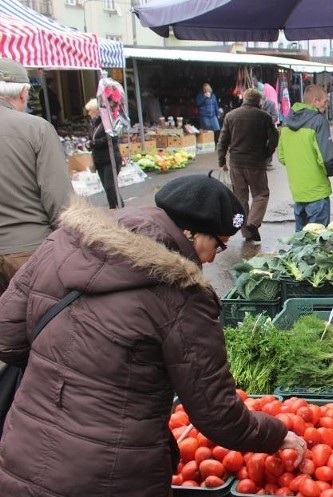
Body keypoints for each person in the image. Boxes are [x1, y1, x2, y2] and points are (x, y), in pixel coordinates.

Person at [0, 175, 307, 497]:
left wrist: (66, 370)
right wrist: (275, 435)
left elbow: (7, 336)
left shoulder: (62, 242)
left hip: (25, 449)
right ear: (189, 231)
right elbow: (216, 413)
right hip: (112, 472)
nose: (215, 258)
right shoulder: (182, 293)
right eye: (217, 243)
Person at [0, 58, 72, 294]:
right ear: (23, 93)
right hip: (28, 253)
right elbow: (59, 201)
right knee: (38, 325)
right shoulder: (36, 128)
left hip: (22, 250)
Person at [218, 89, 278, 242]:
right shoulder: (264, 116)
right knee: (261, 194)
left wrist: (222, 160)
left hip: (236, 163)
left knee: (240, 198)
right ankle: (253, 223)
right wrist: (267, 153)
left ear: (244, 99)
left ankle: (247, 232)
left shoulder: (230, 116)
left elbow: (223, 140)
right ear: (259, 101)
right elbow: (274, 137)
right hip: (256, 163)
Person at [278, 85, 333, 231]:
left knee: (301, 241)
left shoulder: (286, 121)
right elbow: (326, 158)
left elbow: (282, 157)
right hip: (317, 190)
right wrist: (331, 170)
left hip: (298, 191)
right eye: (325, 101)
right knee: (318, 240)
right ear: (315, 101)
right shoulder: (318, 121)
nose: (326, 105)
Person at [84, 99, 123, 209]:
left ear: (96, 111)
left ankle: (121, 207)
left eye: (90, 111)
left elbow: (111, 138)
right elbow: (91, 138)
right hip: (99, 159)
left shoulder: (108, 122)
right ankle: (113, 209)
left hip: (110, 159)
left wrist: (94, 143)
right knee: (107, 187)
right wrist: (89, 143)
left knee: (110, 186)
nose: (88, 114)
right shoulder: (93, 125)